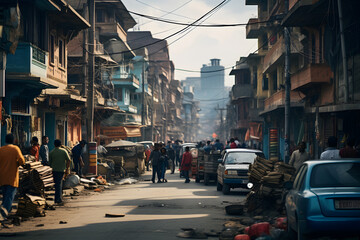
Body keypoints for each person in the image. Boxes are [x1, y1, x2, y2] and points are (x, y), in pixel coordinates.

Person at [0, 134, 25, 220]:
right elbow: (22, 161)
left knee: (5, 196)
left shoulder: (1, 149)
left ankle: (5, 212)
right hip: (12, 177)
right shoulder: (15, 149)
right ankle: (3, 214)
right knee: (9, 197)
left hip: (2, 177)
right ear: (14, 140)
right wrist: (17, 163)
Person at [49, 139, 71, 205]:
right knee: (59, 184)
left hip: (54, 170)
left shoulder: (51, 152)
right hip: (61, 170)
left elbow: (50, 162)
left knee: (57, 184)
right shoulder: (64, 151)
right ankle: (58, 199)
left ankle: (58, 199)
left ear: (54, 144)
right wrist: (67, 169)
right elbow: (69, 160)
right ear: (61, 144)